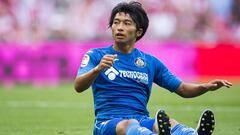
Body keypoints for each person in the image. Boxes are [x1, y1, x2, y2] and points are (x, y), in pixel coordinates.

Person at [74, 1, 232, 135]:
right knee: (128, 125)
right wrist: (97, 70)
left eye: (126, 23)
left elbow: (182, 89)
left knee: (168, 123)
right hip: (107, 123)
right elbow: (78, 86)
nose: (119, 27)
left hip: (141, 121)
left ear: (139, 31)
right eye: (116, 22)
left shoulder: (150, 62)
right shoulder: (96, 55)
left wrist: (205, 86)